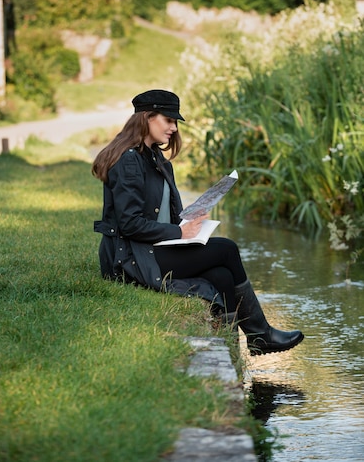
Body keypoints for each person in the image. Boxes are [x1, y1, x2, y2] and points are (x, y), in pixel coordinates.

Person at [92, 89, 304, 355]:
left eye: (175, 122)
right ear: (147, 117)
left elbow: (157, 215)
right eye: (168, 120)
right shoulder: (130, 161)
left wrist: (190, 218)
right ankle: (261, 335)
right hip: (130, 259)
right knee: (226, 249)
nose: (173, 128)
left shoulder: (155, 159)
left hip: (152, 248)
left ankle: (234, 348)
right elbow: (129, 224)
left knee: (222, 275)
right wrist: (180, 232)